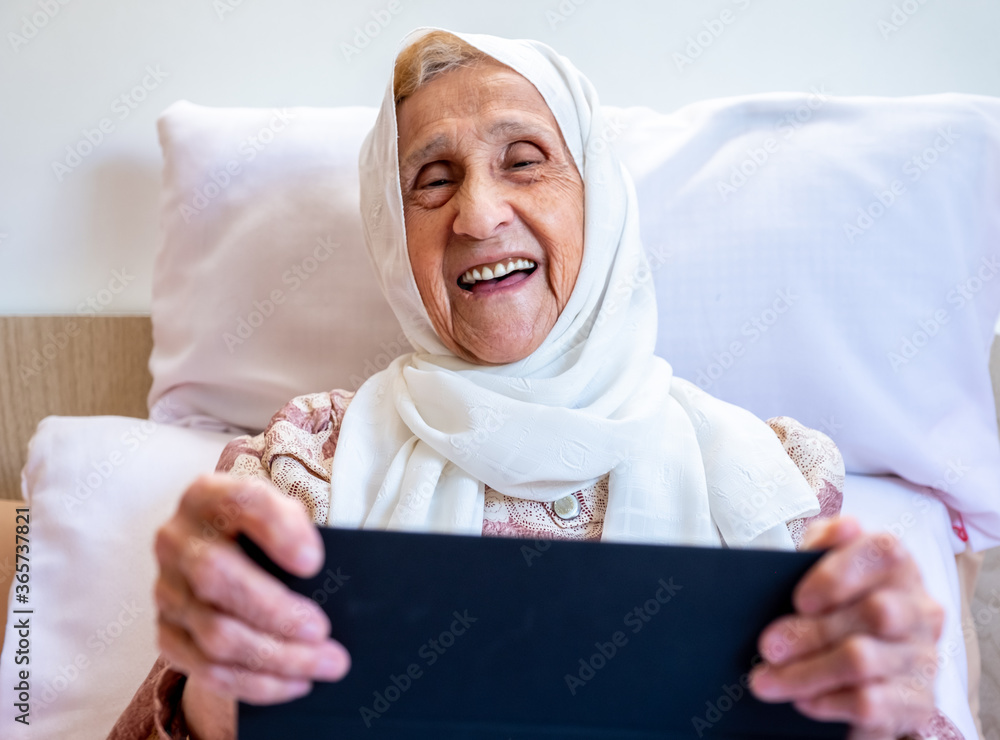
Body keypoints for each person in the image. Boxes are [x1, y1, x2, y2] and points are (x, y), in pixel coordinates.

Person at [108, 27, 955, 740]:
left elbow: (864, 702)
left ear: (602, 204)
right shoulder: (304, 466)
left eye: (525, 161)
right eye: (432, 180)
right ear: (390, 239)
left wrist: (896, 709)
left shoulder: (772, 481)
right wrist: (217, 692)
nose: (477, 215)